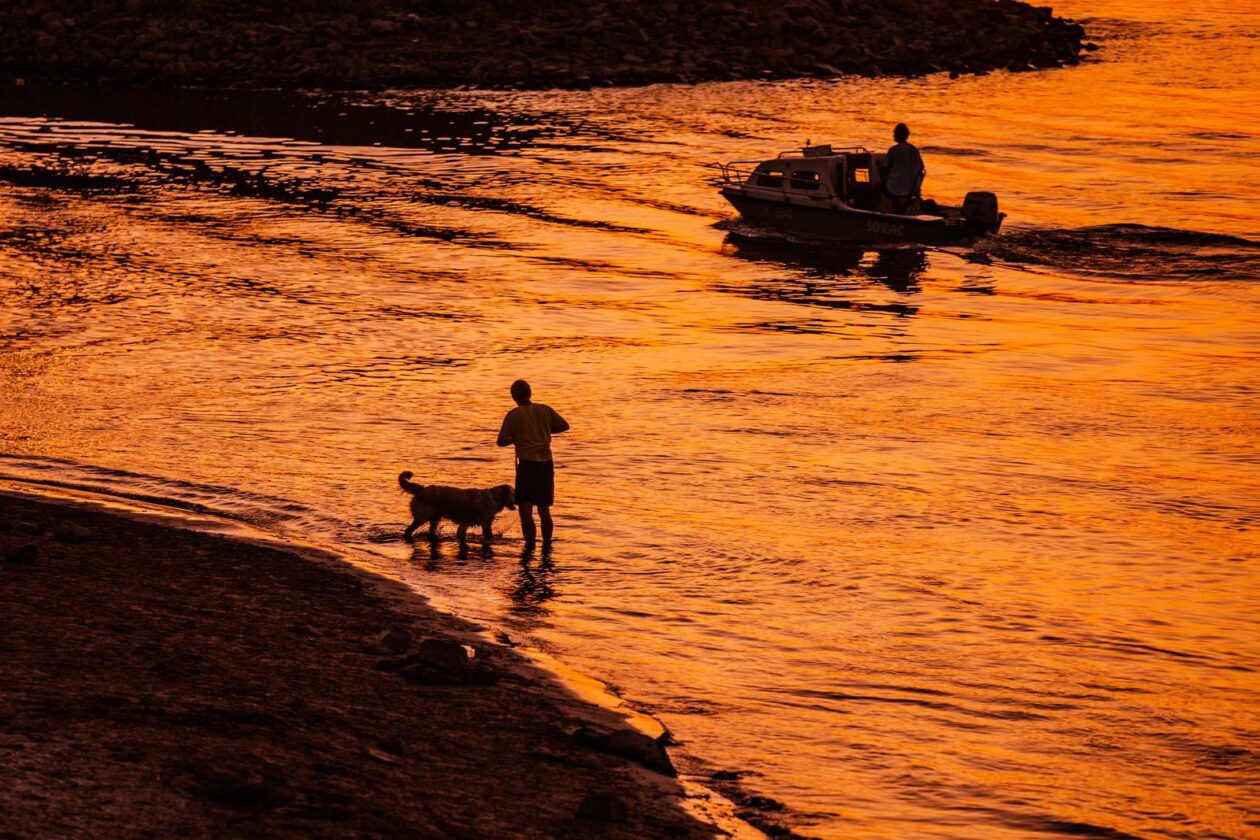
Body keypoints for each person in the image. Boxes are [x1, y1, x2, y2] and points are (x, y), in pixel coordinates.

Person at [496, 379, 569, 551]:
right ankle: (547, 547)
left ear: (513, 397)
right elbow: (564, 426)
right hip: (545, 464)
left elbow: (501, 441)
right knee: (544, 509)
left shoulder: (513, 415)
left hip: (527, 465)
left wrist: (516, 438)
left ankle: (529, 548)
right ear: (530, 393)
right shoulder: (545, 409)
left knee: (525, 510)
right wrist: (545, 431)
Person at [883, 122, 925, 215]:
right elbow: (921, 169)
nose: (893, 134)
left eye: (894, 132)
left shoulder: (893, 150)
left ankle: (872, 212)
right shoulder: (914, 149)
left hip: (899, 186)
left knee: (879, 187)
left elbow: (884, 168)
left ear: (897, 134)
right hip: (914, 187)